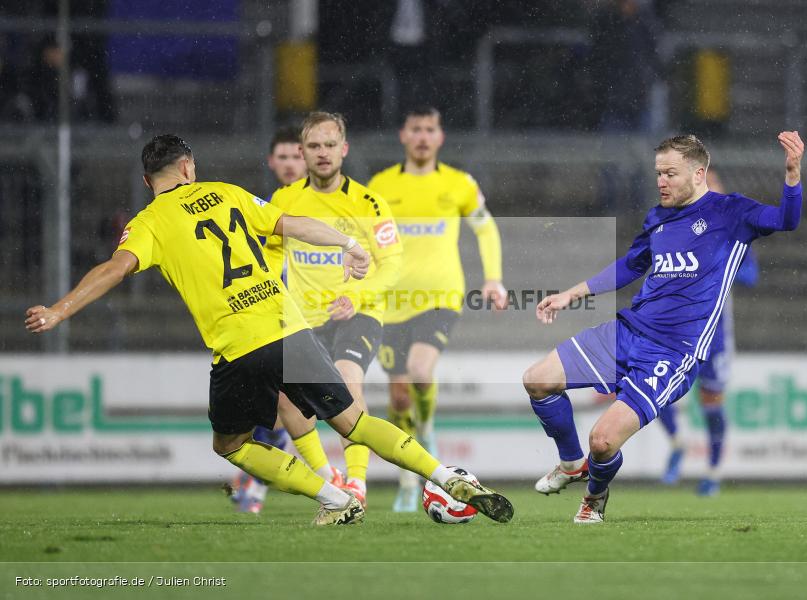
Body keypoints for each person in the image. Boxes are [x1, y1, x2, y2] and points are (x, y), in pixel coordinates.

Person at [25, 134, 514, 526]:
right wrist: (349, 244)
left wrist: (60, 310)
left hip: (239, 346)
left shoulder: (150, 222)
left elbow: (114, 269)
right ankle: (445, 474)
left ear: (146, 178)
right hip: (290, 327)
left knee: (231, 444)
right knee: (355, 422)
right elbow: (295, 224)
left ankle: (332, 496)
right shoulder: (230, 194)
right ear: (189, 166)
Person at [522, 132, 804, 523]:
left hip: (673, 352)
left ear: (698, 173)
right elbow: (631, 265)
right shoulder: (658, 217)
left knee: (602, 441)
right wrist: (573, 293)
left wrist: (792, 175)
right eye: (658, 173)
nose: (661, 182)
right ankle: (571, 463)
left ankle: (595, 496)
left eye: (670, 173)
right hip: (628, 332)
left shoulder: (732, 212)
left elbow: (787, 220)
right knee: (537, 379)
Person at [367, 106, 508, 511]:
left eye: (430, 129)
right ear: (403, 135)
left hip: (441, 297)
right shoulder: (380, 185)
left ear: (440, 137)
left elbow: (486, 228)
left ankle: (426, 432)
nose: (423, 136)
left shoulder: (459, 184)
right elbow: (365, 236)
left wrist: (493, 278)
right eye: (416, 129)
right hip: (390, 303)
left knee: (420, 372)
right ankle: (408, 478)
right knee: (397, 398)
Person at [261, 112, 403, 509]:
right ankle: (329, 479)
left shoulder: (368, 202)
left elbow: (393, 263)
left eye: (329, 145)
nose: (322, 153)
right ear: (302, 153)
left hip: (359, 312)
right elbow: (271, 254)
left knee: (345, 383)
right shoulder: (285, 201)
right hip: (305, 318)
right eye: (313, 146)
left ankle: (357, 482)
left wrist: (358, 297)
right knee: (286, 401)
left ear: (344, 149)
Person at [229, 125, 322, 514]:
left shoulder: (323, 205)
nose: (288, 163)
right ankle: (265, 481)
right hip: (277, 315)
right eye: (281, 156)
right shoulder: (264, 207)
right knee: (280, 402)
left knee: (292, 406)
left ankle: (267, 481)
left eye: (295, 156)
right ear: (271, 161)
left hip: (322, 314)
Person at [657, 167, 759, 496]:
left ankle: (713, 474)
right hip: (678, 330)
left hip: (714, 335)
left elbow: (750, 276)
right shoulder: (676, 227)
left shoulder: (734, 233)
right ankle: (677, 442)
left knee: (711, 402)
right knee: (654, 391)